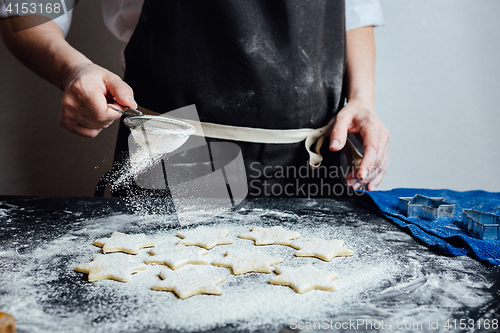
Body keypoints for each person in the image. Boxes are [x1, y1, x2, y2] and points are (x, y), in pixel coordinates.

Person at [0, 0, 390, 198]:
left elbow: (354, 11)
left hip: (313, 160)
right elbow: (27, 8)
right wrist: (73, 70)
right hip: (184, 153)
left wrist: (363, 100)